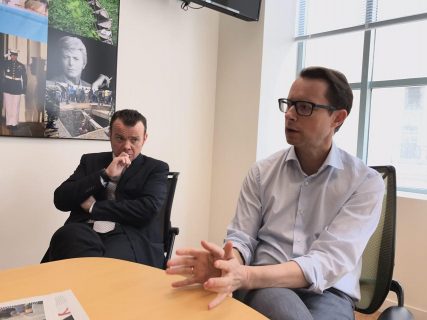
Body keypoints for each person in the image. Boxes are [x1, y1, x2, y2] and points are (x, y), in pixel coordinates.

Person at [166, 66, 385, 319]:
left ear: (337, 118)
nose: (290, 114)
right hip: (265, 285)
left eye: (304, 107)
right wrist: (230, 263)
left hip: (329, 292)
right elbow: (242, 238)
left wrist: (244, 275)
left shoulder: (365, 183)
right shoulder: (262, 172)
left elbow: (327, 262)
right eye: (289, 104)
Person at [42, 109, 169, 268]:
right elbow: (61, 199)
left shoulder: (156, 168)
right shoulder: (90, 161)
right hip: (84, 230)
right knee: (67, 238)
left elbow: (147, 209)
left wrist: (94, 207)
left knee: (101, 264)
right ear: (110, 135)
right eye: (120, 138)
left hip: (129, 235)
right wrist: (104, 174)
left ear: (144, 139)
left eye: (134, 140)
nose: (126, 146)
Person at [1, 49, 27, 131]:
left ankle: (14, 123)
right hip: (7, 87)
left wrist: (24, 89)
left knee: (15, 107)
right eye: (12, 55)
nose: (13, 56)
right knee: (8, 106)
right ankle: (9, 123)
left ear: (17, 56)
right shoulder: (6, 63)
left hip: (17, 88)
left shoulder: (21, 65)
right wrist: (5, 55)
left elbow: (25, 78)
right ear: (10, 55)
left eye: (15, 55)